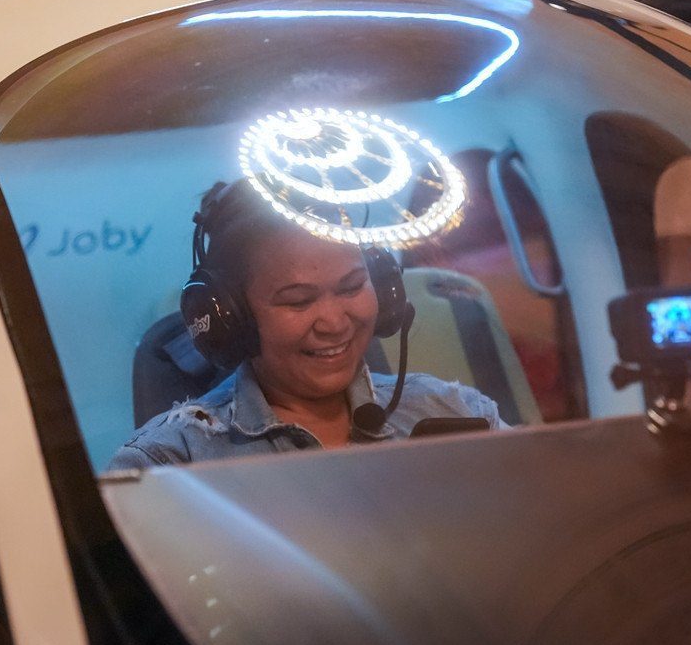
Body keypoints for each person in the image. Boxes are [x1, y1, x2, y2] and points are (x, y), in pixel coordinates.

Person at [108, 179, 503, 471]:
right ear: (233, 318)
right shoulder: (167, 461)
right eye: (298, 301)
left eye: (352, 287)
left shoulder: (460, 412)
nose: (334, 323)